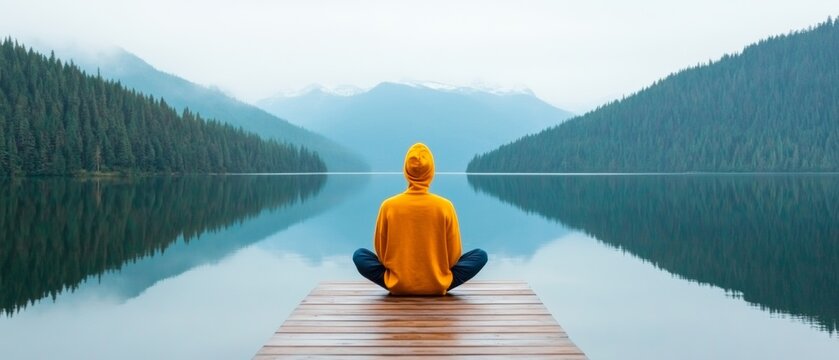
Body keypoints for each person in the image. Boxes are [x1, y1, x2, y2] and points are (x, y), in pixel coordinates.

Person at [353, 143, 488, 295]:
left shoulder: (388, 206)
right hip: (438, 284)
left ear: (406, 171)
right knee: (480, 255)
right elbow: (453, 257)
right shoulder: (445, 206)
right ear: (431, 172)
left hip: (398, 284)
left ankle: (401, 282)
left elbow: (381, 254)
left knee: (360, 256)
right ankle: (436, 282)